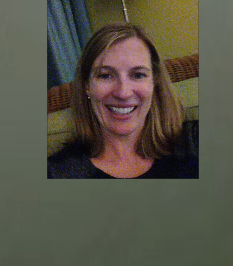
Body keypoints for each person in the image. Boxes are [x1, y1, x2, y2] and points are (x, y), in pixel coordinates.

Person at [47, 23, 199, 178]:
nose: (123, 93)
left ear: (154, 82)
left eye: (138, 75)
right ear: (87, 85)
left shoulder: (196, 141)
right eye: (105, 75)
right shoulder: (56, 173)